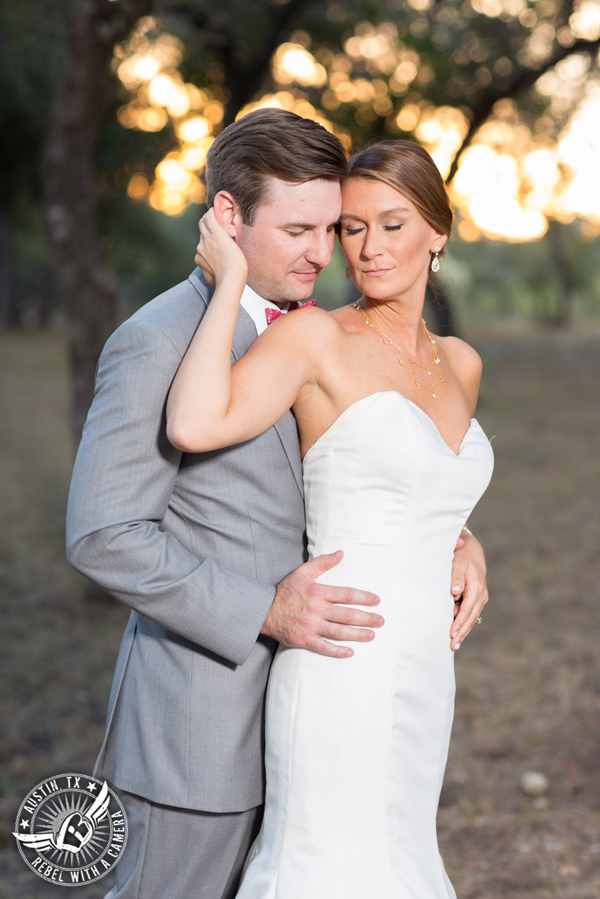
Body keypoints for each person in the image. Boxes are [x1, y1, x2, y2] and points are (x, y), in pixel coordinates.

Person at [66, 110, 489, 899]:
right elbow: (104, 533)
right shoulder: (156, 340)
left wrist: (455, 535)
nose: (328, 253)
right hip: (200, 725)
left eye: (333, 228)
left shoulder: (310, 329)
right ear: (228, 218)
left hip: (328, 698)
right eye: (302, 230)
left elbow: (353, 467)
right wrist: (264, 609)